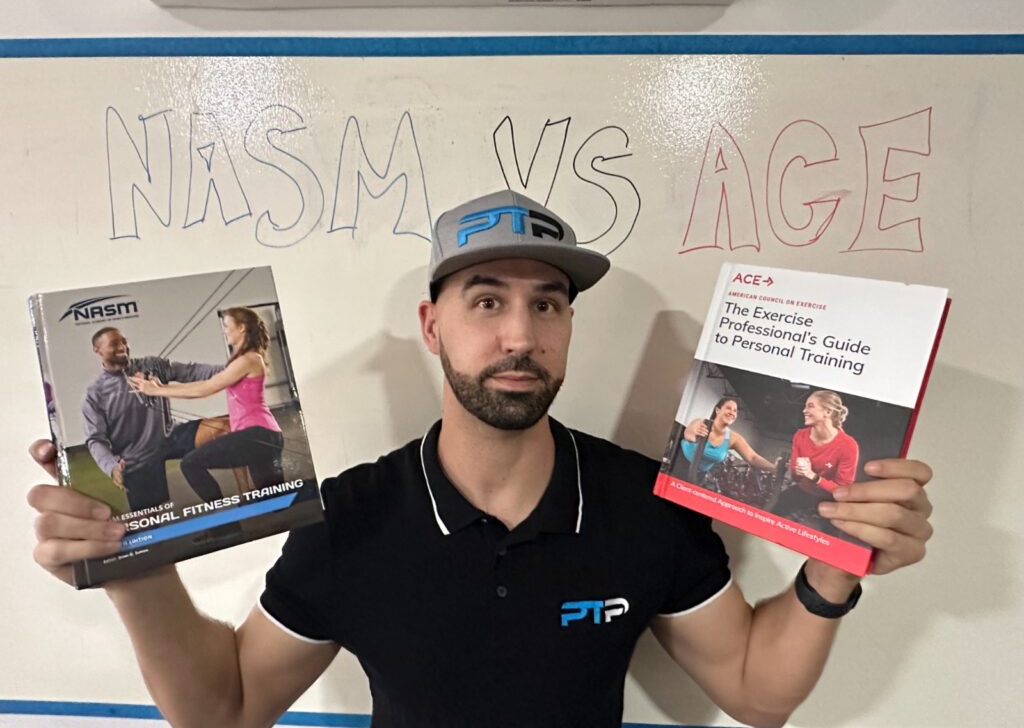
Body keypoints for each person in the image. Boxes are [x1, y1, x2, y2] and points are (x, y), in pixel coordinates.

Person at [29, 191, 934, 728]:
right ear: (433, 326)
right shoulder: (352, 520)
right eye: (487, 300)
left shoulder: (645, 505)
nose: (519, 335)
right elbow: (223, 709)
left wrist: (833, 565)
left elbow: (755, 689)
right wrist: (128, 563)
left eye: (548, 306)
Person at [127, 307, 285, 502]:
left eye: (227, 326)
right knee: (278, 503)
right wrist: (160, 387)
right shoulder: (241, 361)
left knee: (190, 464)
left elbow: (206, 389)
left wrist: (156, 391)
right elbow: (202, 384)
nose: (225, 330)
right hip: (261, 437)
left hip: (257, 434)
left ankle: (220, 514)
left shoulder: (250, 359)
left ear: (242, 328)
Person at [82, 327, 222, 511]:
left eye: (124, 341)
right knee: (150, 521)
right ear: (97, 350)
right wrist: (111, 467)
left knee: (220, 428)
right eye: (114, 343)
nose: (123, 346)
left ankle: (227, 526)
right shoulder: (95, 393)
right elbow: (95, 439)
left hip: (171, 437)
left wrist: (234, 369)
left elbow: (190, 371)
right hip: (137, 456)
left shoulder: (151, 366)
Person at [774, 390, 860, 520]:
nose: (804, 410)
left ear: (827, 412)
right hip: (802, 491)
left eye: (810, 406)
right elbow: (796, 477)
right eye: (805, 406)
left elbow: (843, 490)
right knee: (775, 510)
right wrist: (795, 469)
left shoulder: (848, 445)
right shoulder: (800, 435)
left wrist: (814, 476)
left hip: (828, 499)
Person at [681, 397, 779, 482]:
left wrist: (774, 468)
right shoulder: (701, 423)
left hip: (698, 475)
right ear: (718, 410)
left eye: (735, 410)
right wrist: (694, 432)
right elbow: (688, 433)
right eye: (728, 408)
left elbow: (752, 457)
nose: (732, 413)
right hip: (680, 464)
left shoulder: (733, 438)